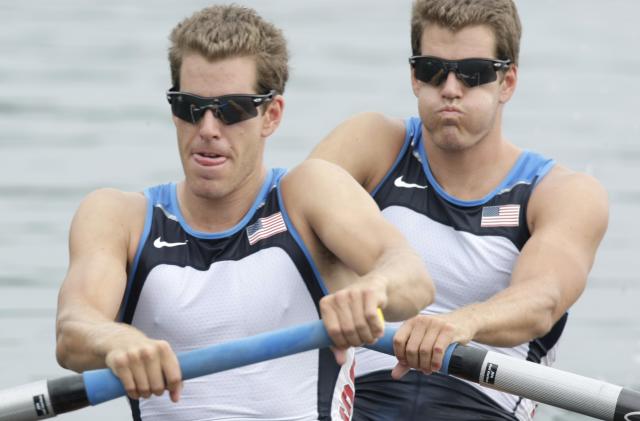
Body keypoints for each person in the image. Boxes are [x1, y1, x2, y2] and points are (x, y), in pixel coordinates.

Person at [54, 5, 434, 421]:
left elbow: (412, 278)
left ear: (270, 115)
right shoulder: (117, 217)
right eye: (190, 107)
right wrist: (113, 338)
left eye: (232, 109)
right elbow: (73, 331)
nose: (208, 129)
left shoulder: (309, 194)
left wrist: (373, 292)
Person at [309, 0, 609, 420]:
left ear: (507, 82)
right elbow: (284, 225)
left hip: (481, 404)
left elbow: (542, 299)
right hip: (358, 399)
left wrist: (462, 323)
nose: (450, 87)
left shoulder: (561, 193)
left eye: (473, 73)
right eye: (433, 69)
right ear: (415, 77)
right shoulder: (373, 145)